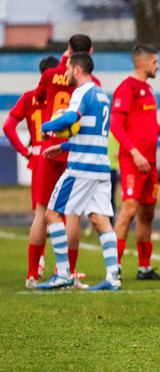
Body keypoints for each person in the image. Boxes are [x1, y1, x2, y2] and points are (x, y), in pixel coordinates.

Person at [36, 52, 121, 291]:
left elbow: (72, 118)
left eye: (68, 69)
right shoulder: (102, 95)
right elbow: (91, 133)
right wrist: (62, 146)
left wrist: (46, 128)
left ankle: (63, 273)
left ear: (77, 70)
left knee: (52, 214)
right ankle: (113, 276)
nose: (65, 73)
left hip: (81, 166)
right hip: (101, 166)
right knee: (100, 220)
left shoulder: (81, 92)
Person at [34, 34, 98, 286]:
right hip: (80, 152)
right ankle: (72, 271)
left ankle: (35, 270)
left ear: (68, 52)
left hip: (52, 148)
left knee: (44, 212)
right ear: (90, 52)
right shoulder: (97, 87)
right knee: (74, 214)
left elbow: (41, 100)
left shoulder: (51, 74)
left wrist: (46, 128)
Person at [110, 44, 160, 281]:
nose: (158, 65)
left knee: (148, 213)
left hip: (151, 161)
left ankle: (145, 268)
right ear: (143, 63)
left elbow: (144, 124)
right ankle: (113, 267)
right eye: (155, 61)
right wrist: (134, 152)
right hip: (133, 161)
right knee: (129, 210)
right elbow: (115, 125)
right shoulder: (126, 88)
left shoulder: (148, 89)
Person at [3, 55, 59, 287]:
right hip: (58, 154)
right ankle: (64, 269)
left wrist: (24, 152)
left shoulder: (28, 97)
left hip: (37, 158)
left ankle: (35, 270)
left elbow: (8, 126)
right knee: (61, 214)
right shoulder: (60, 98)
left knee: (40, 213)